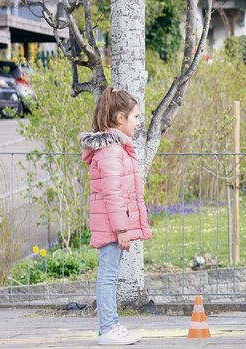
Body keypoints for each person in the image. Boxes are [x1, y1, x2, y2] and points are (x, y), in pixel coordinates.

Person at [79, 87, 152, 346]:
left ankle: (111, 325)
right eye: (135, 117)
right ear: (120, 118)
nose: (138, 122)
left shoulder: (118, 147)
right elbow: (113, 193)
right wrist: (122, 229)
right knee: (108, 276)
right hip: (111, 226)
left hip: (112, 225)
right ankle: (107, 328)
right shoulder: (112, 150)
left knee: (110, 274)